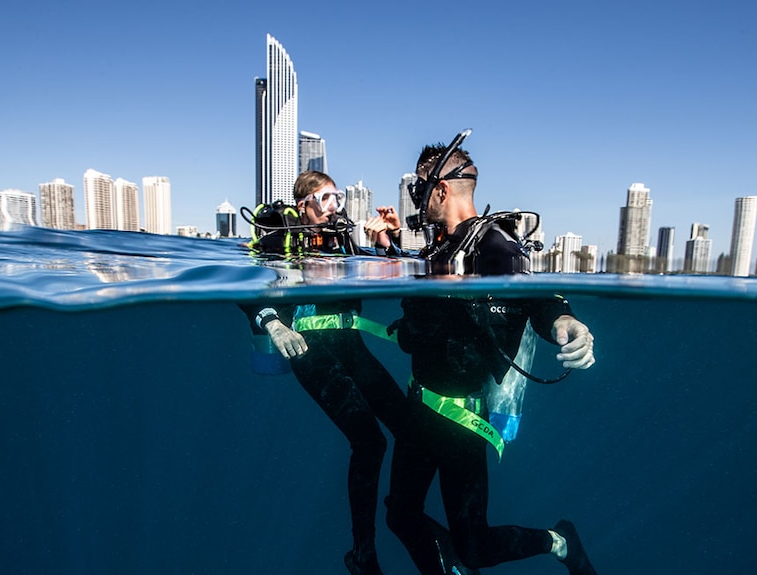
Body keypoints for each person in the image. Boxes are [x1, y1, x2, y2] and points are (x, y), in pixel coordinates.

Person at [240, 171, 477, 575]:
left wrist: (389, 245)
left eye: (338, 197)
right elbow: (249, 287)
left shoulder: (346, 240)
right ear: (304, 206)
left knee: (412, 428)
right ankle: (363, 554)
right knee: (370, 442)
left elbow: (405, 273)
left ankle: (418, 525)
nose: (336, 205)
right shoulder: (283, 240)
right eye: (326, 198)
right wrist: (274, 323)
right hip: (308, 349)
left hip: (350, 344)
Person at [384, 132, 599, 575]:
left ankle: (558, 541)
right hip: (418, 407)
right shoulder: (441, 247)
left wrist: (565, 322)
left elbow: (535, 297)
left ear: (440, 190)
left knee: (475, 547)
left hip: (462, 420)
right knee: (399, 514)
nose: (417, 203)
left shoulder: (493, 245)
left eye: (420, 192)